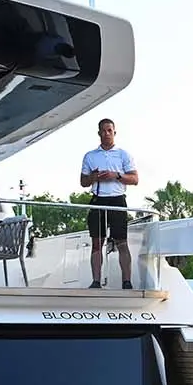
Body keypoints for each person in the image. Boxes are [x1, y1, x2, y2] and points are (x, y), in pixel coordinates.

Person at [80, 118, 138, 288]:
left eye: (109, 130)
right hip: (98, 200)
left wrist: (116, 175)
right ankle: (96, 281)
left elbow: (134, 179)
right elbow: (83, 181)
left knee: (122, 242)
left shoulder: (123, 155)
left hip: (117, 200)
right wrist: (94, 177)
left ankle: (127, 281)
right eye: (103, 131)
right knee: (97, 243)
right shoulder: (90, 156)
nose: (106, 134)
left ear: (114, 132)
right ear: (99, 133)